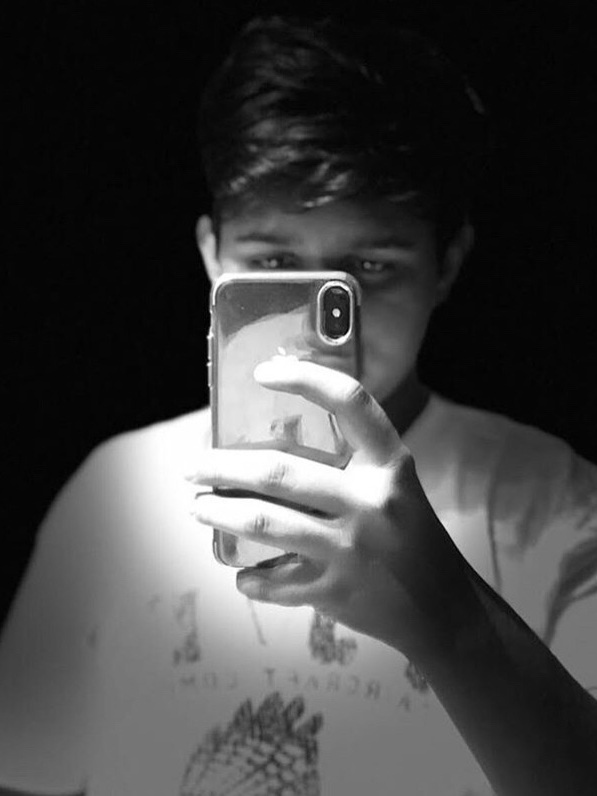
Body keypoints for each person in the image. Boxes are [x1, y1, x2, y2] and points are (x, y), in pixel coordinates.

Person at [1, 15, 596, 796]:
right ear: (212, 254)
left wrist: (448, 616)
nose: (318, 320)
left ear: (448, 263)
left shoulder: (553, 499)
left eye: (369, 266)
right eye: (274, 261)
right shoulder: (114, 491)